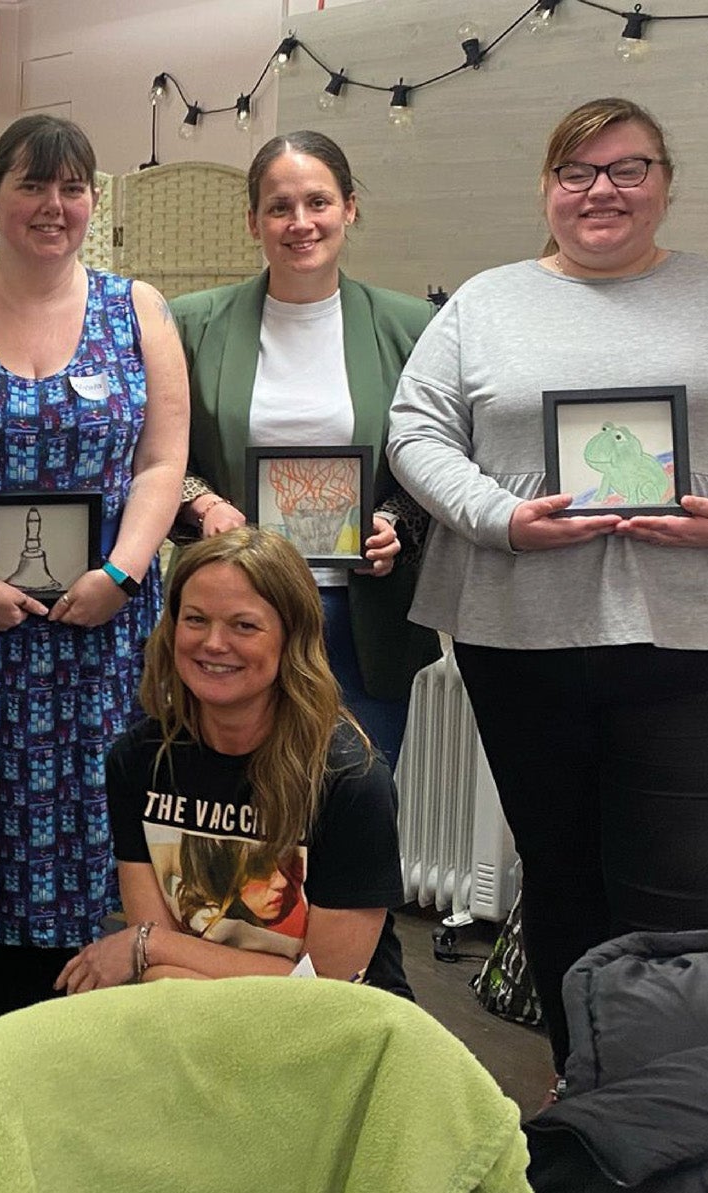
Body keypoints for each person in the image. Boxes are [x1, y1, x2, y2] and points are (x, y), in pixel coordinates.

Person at [386, 98, 708, 1076]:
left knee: (679, 899)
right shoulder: (484, 304)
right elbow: (416, 434)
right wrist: (497, 516)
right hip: (520, 640)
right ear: (547, 189)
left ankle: (663, 1105)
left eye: (628, 169)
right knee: (561, 883)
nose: (603, 190)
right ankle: (584, 1086)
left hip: (695, 641)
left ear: (665, 184)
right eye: (577, 171)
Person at [0, 113, 188, 1026]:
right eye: (31, 185)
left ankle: (92, 1012)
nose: (53, 206)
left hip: (102, 630)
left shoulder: (141, 310)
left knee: (102, 813)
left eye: (72, 187)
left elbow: (164, 463)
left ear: (93, 200)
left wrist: (124, 576)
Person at [169, 129, 438, 767]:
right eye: (279, 207)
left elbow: (438, 458)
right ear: (253, 220)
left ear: (349, 207)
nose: (300, 223)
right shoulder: (191, 325)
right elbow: (156, 460)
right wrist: (204, 505)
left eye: (318, 202)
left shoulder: (412, 327)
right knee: (234, 823)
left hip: (358, 622)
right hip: (232, 615)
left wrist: (394, 523)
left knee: (354, 819)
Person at [54, 529, 402, 999]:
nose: (214, 644)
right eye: (195, 620)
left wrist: (152, 947)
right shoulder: (138, 761)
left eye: (244, 626)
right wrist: (155, 949)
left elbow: (324, 986)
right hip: (186, 999)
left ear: (291, 638)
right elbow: (153, 948)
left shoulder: (350, 778)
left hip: (330, 1025)